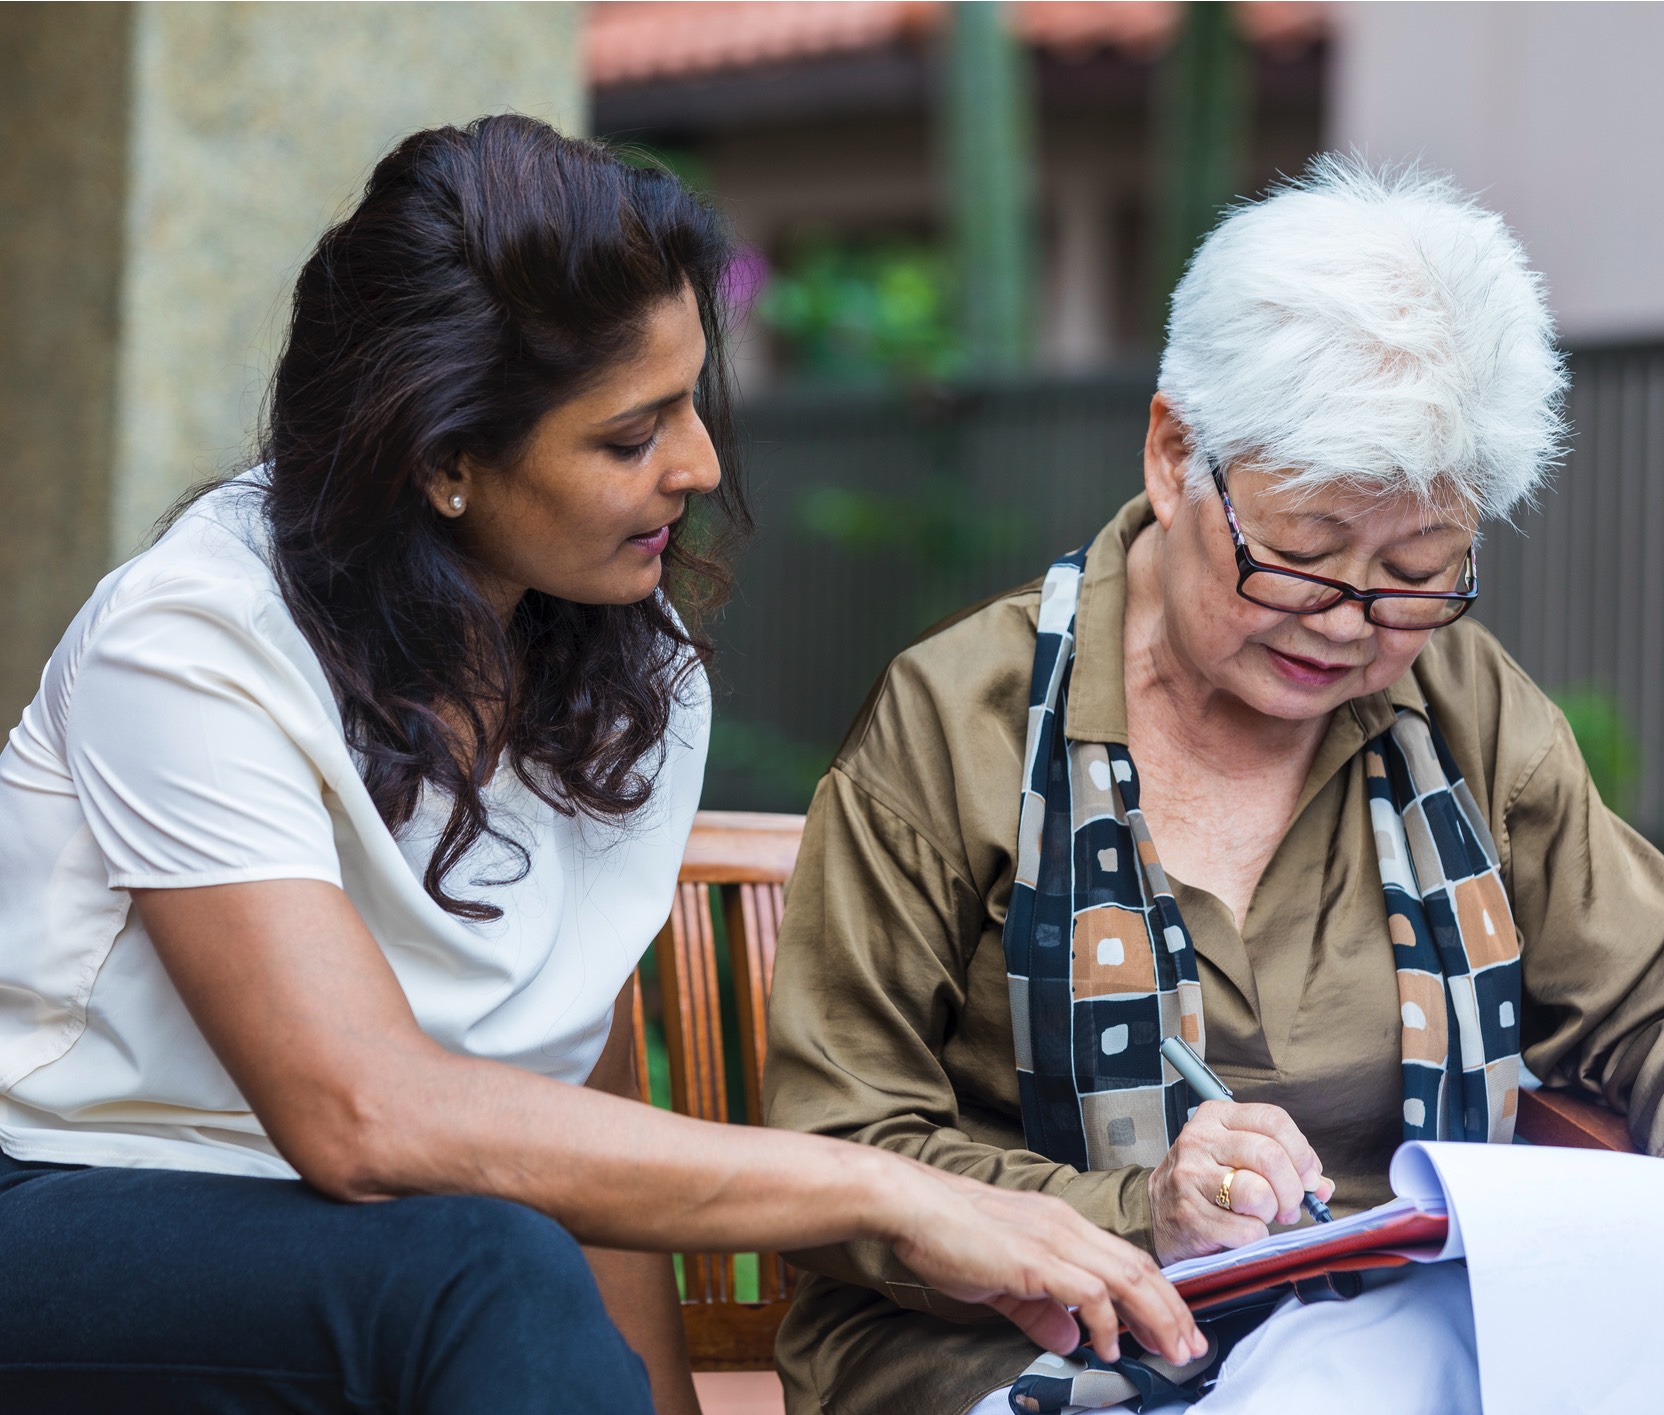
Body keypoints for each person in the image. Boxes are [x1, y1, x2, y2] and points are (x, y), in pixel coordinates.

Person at [0, 116, 1203, 1415]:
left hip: (396, 1255)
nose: (698, 462)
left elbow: (572, 1071)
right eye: (631, 434)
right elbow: (363, 1116)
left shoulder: (625, 669)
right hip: (67, 1196)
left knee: (482, 1255)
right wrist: (898, 1187)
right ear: (444, 458)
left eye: (694, 397)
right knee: (479, 1262)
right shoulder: (193, 639)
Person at [762, 158, 1664, 1415]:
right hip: (1023, 1360)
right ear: (1172, 454)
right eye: (1304, 555)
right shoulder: (962, 725)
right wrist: (1134, 1213)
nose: (1348, 621)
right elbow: (836, 1149)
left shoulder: (1463, 713)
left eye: (1416, 571)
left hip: (1388, 1339)